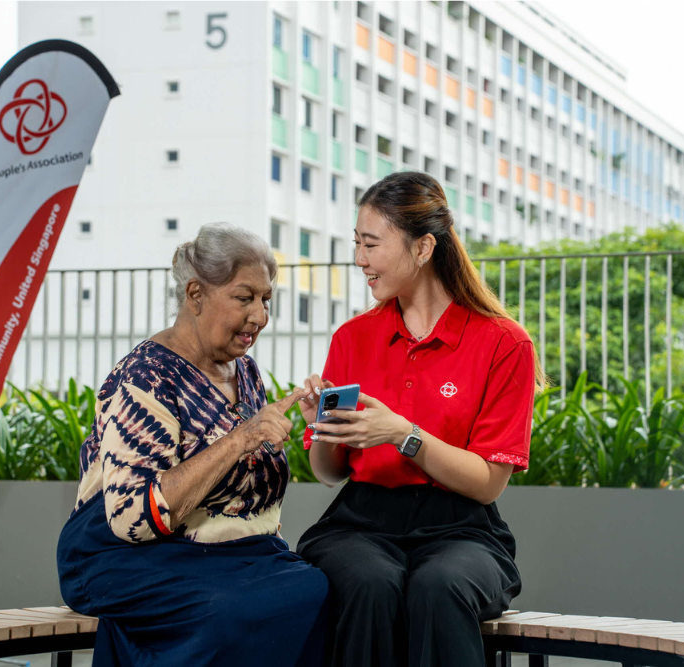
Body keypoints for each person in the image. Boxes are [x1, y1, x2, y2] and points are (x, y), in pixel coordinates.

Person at [55, 223, 328, 667]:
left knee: (316, 589)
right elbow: (133, 520)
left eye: (266, 300)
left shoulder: (246, 373)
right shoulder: (146, 376)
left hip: (230, 556)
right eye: (245, 297)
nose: (259, 316)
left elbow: (255, 493)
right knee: (224, 612)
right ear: (196, 294)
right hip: (128, 553)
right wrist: (243, 438)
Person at [296, 171, 537, 666]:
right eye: (356, 243)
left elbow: (488, 484)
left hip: (462, 528)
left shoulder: (505, 343)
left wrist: (404, 434)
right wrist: (323, 427)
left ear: (424, 247)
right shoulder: (352, 338)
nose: (359, 259)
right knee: (369, 583)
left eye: (371, 244)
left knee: (439, 585)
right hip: (358, 522)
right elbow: (329, 472)